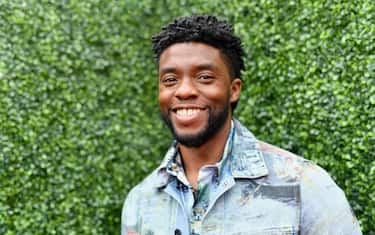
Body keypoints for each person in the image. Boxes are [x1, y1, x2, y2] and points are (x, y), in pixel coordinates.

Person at [121, 15, 362, 235]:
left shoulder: (304, 186)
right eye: (170, 80)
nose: (184, 91)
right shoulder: (140, 202)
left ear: (234, 89)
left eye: (204, 77)